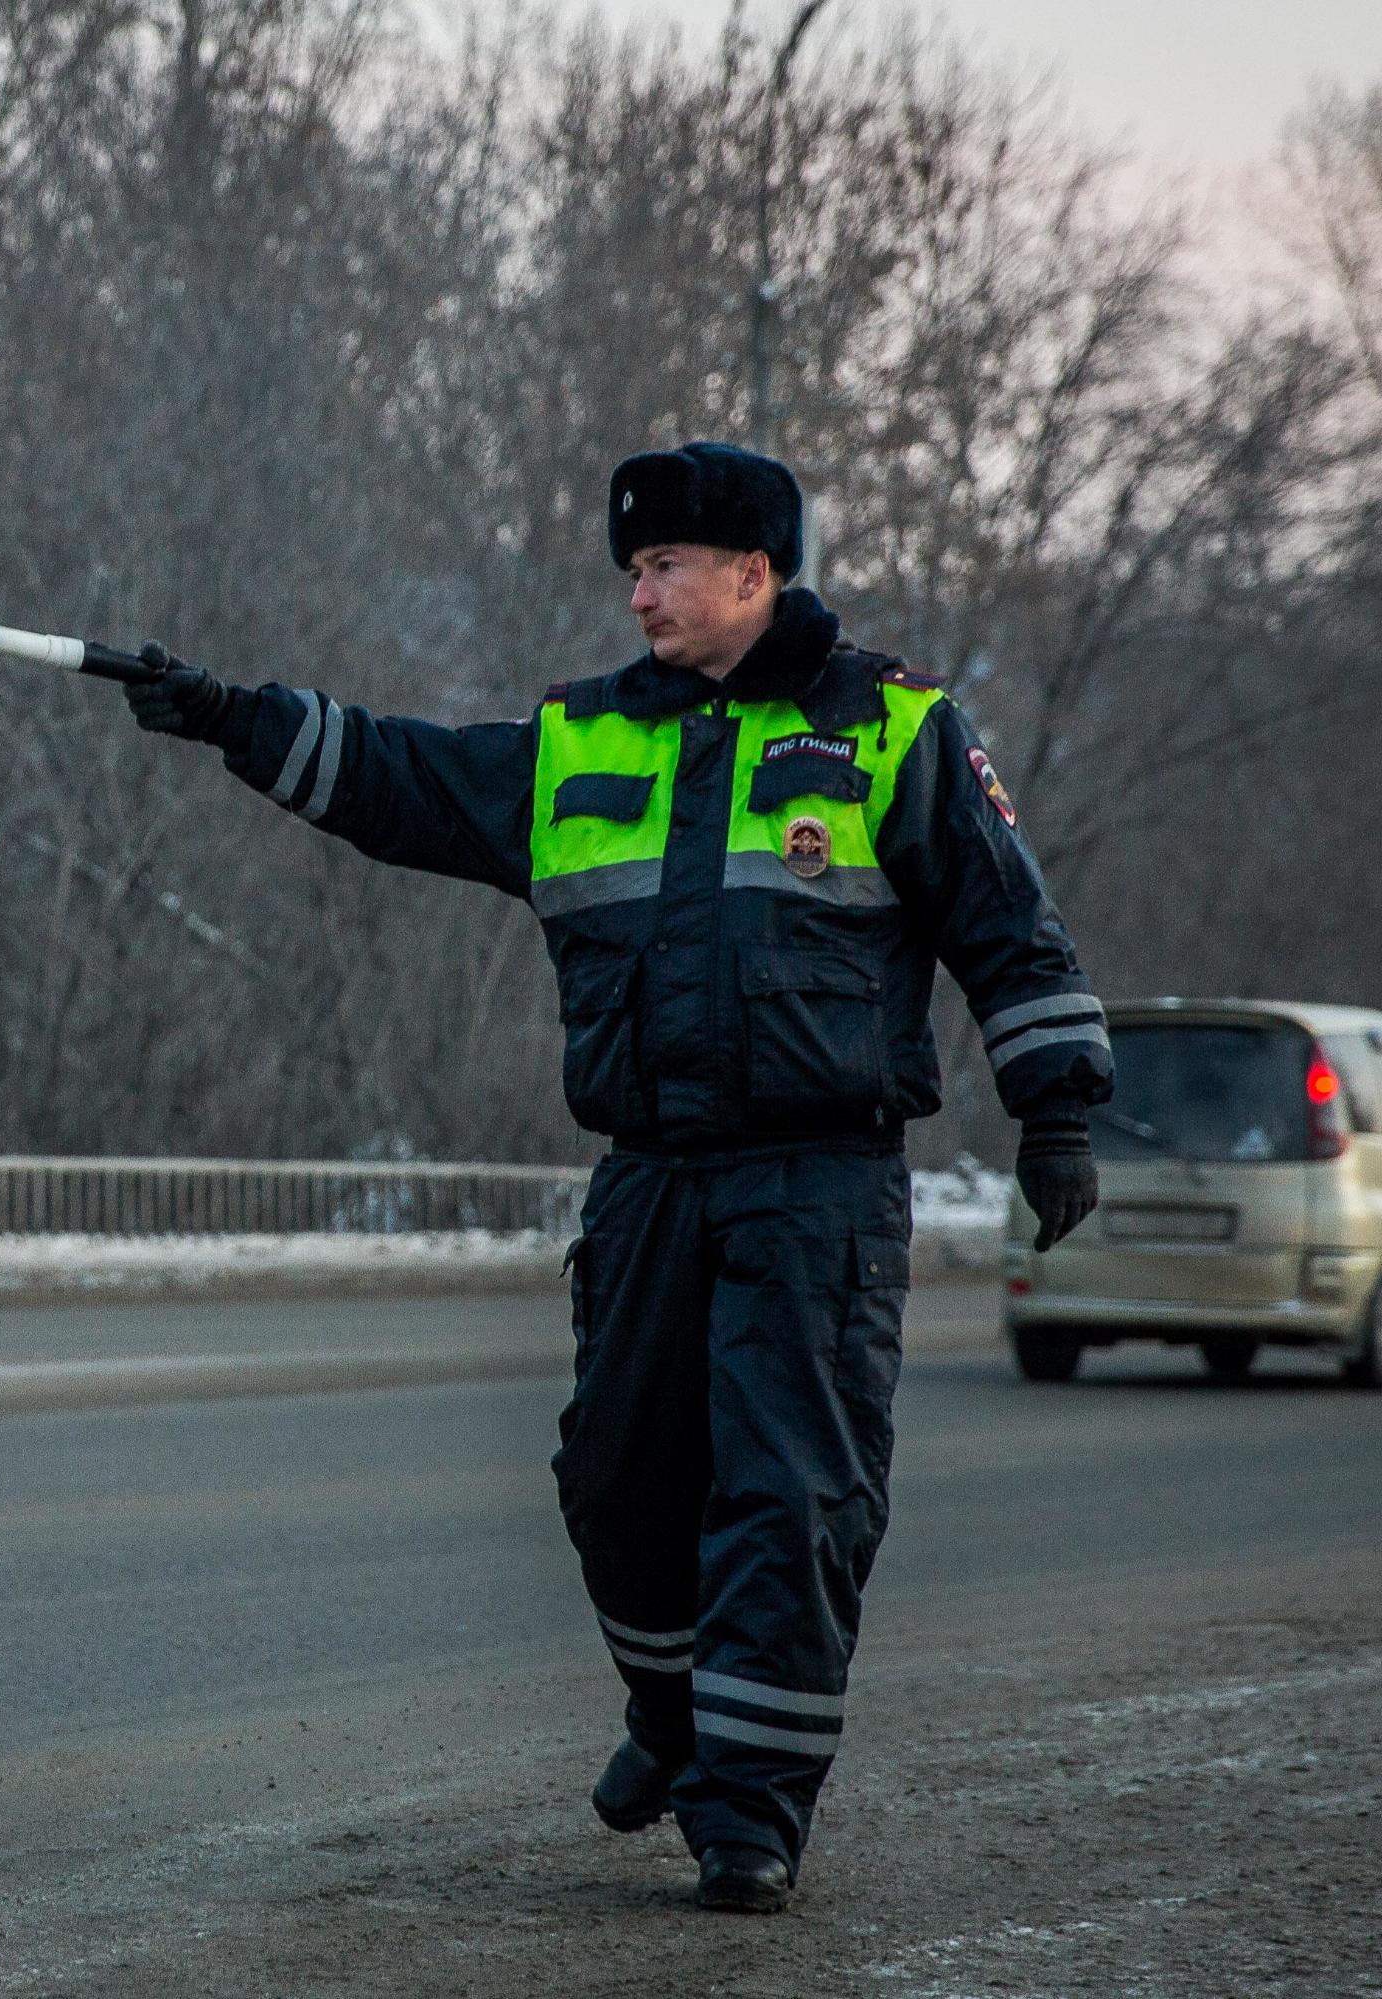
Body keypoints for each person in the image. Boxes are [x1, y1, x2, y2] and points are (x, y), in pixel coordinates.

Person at [120, 441, 1110, 1913]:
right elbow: (401, 777)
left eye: (666, 567)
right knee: (615, 1485)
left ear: (756, 573)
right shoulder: (583, 742)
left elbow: (1007, 929)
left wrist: (1058, 1107)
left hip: (818, 1189)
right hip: (648, 1181)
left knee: (790, 1499)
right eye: (632, 570)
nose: (639, 593)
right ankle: (669, 1715)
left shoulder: (896, 729)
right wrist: (229, 718)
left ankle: (747, 1820)